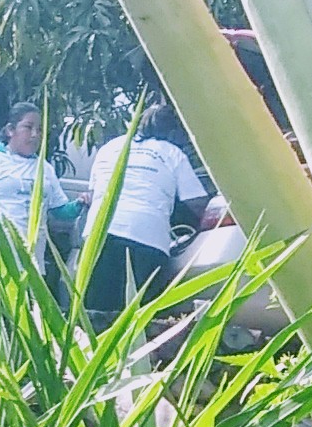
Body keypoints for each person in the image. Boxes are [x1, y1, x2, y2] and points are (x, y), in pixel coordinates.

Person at [82, 104, 220, 320]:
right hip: (146, 237)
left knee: (95, 313)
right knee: (141, 315)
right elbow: (197, 203)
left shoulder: (110, 147)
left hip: (100, 233)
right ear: (173, 132)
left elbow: (92, 194)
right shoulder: (172, 153)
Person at [0, 104, 81, 275]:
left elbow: (60, 210)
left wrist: (80, 203)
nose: (34, 135)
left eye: (39, 130)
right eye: (28, 127)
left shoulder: (44, 169)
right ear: (11, 130)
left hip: (31, 264)